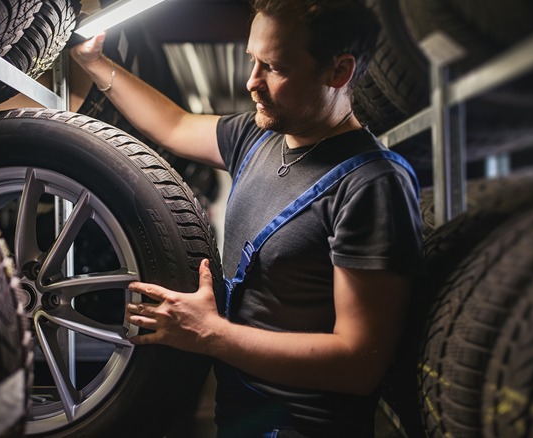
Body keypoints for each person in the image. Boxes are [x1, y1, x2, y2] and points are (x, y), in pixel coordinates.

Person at [70, 0, 423, 436]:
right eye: (251, 60)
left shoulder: (371, 186)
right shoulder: (257, 138)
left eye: (274, 67)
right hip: (239, 419)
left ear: (339, 72)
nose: (251, 82)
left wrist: (211, 334)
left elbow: (357, 364)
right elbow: (174, 126)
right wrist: (95, 63)